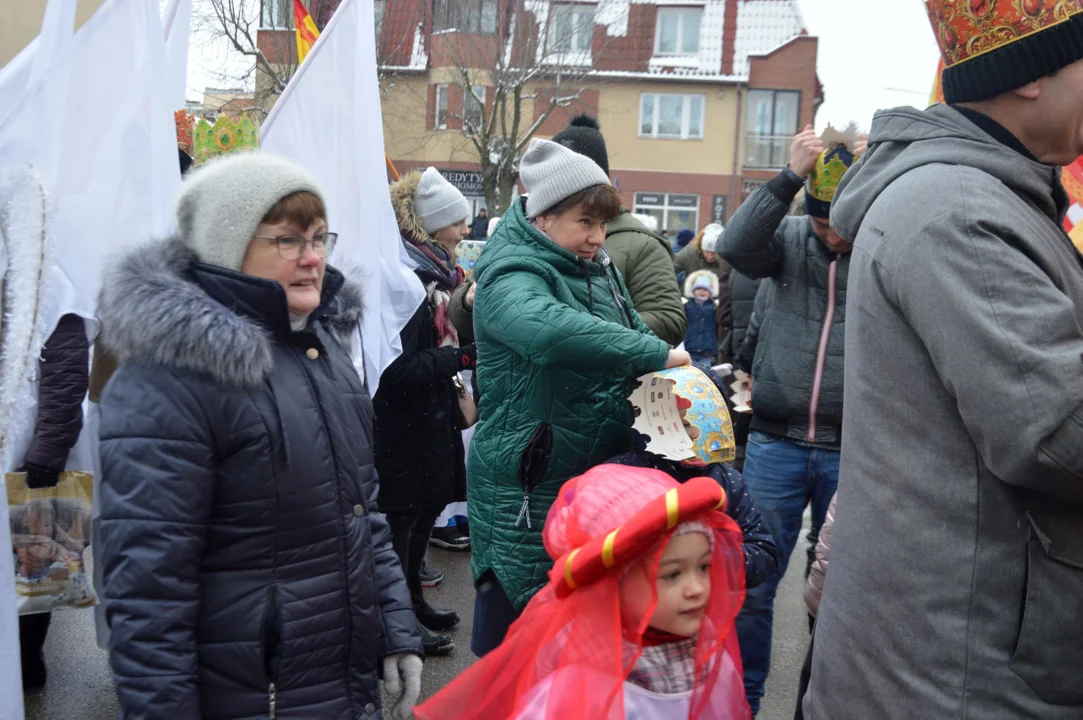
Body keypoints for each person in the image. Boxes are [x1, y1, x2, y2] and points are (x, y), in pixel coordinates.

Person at [804, 6, 1083, 718]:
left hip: (956, 648)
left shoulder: (984, 196)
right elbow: (1055, 435)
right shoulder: (958, 210)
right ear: (1029, 74)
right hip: (959, 672)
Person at [96, 153, 423, 719]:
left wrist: (396, 627)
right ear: (229, 246)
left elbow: (362, 513)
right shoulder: (168, 380)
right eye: (289, 240)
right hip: (252, 695)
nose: (313, 258)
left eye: (320, 237)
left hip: (336, 686)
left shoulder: (322, 352)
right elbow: (148, 593)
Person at [466, 138, 690, 657]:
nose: (597, 237)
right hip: (528, 484)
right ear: (544, 217)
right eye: (584, 223)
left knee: (571, 654)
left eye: (603, 223)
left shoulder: (601, 267)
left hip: (591, 483)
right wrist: (654, 352)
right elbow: (546, 331)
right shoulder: (511, 272)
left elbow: (631, 332)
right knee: (512, 654)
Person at [414, 464, 751, 720]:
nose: (696, 589)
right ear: (611, 583)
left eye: (704, 567)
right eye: (672, 574)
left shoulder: (707, 650)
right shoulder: (580, 675)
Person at [717, 125, 863, 715]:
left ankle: (817, 701)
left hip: (851, 447)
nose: (833, 233)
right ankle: (742, 700)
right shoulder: (794, 238)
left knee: (835, 594)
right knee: (752, 583)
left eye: (842, 221)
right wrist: (788, 178)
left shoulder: (878, 241)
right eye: (824, 219)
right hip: (775, 440)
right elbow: (734, 245)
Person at [449, 115, 688, 348]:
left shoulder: (641, 244)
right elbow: (471, 319)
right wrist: (468, 301)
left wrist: (584, 329)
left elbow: (669, 321)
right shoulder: (523, 236)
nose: (597, 238)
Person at [377, 166, 475, 656]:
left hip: (430, 420)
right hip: (400, 425)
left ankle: (413, 600)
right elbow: (395, 369)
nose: (465, 231)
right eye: (457, 222)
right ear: (431, 225)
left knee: (423, 514)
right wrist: (459, 357)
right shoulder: (406, 280)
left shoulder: (441, 276)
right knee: (401, 522)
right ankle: (395, 620)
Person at [607, 365, 779, 590]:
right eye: (680, 423)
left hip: (707, 609)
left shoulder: (728, 481)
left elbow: (763, 551)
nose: (694, 434)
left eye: (704, 422)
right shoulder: (625, 473)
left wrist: (708, 560)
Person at [14, 315, 89, 690]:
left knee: (30, 562)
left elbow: (66, 364)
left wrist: (46, 453)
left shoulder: (46, 272)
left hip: (23, 446)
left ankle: (27, 659)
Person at [674, 223, 731, 356]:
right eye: (706, 252)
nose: (710, 256)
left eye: (714, 253)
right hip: (689, 305)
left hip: (716, 306)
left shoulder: (726, 259)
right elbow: (669, 269)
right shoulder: (689, 253)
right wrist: (676, 296)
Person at [683, 272, 720, 366]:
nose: (702, 291)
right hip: (690, 348)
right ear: (693, 291)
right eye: (698, 288)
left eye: (705, 289)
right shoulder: (686, 307)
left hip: (707, 349)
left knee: (704, 374)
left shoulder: (714, 307)